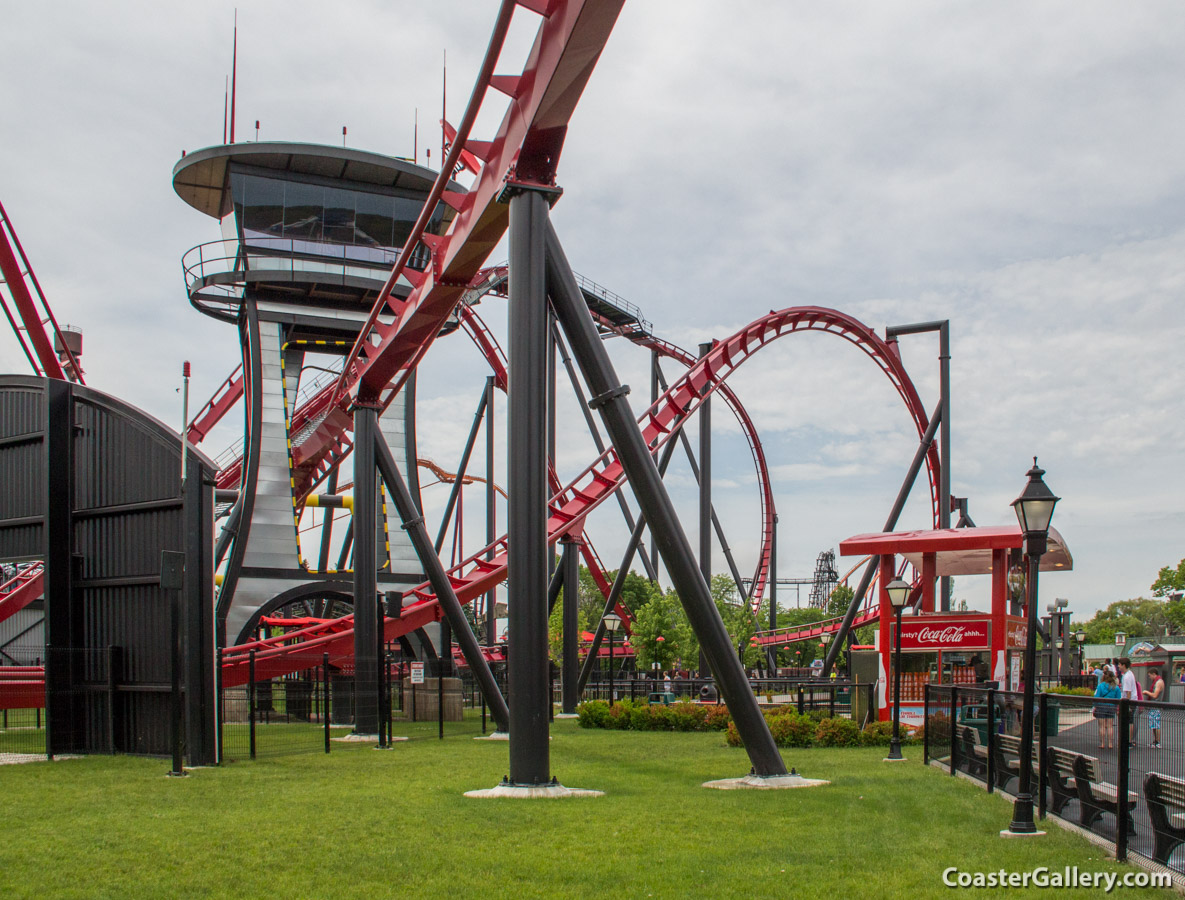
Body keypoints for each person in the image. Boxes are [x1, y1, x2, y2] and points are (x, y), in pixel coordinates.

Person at [1093, 667, 1122, 749]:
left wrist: (1095, 706)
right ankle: (1110, 743)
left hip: (1101, 706)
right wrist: (1116, 708)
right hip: (1112, 707)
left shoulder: (1100, 686)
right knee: (1110, 726)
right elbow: (1118, 698)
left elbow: (1096, 697)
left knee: (1102, 726)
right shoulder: (1116, 687)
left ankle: (1102, 743)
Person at [1118, 657, 1138, 747]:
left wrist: (1128, 705)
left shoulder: (1127, 677)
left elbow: (1128, 692)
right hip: (1132, 700)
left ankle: (1128, 741)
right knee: (1130, 721)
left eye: (1119, 664)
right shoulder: (1129, 674)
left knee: (1129, 721)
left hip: (1129, 701)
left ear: (1124, 665)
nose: (1118, 666)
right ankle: (1129, 740)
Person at [1147, 666, 1166, 749]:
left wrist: (1146, 692)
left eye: (1149, 675)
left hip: (1155, 705)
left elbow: (1155, 695)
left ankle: (1157, 741)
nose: (1149, 678)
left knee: (1156, 724)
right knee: (1154, 724)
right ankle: (1156, 741)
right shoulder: (1159, 681)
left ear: (1154, 674)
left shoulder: (1158, 682)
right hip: (1154, 705)